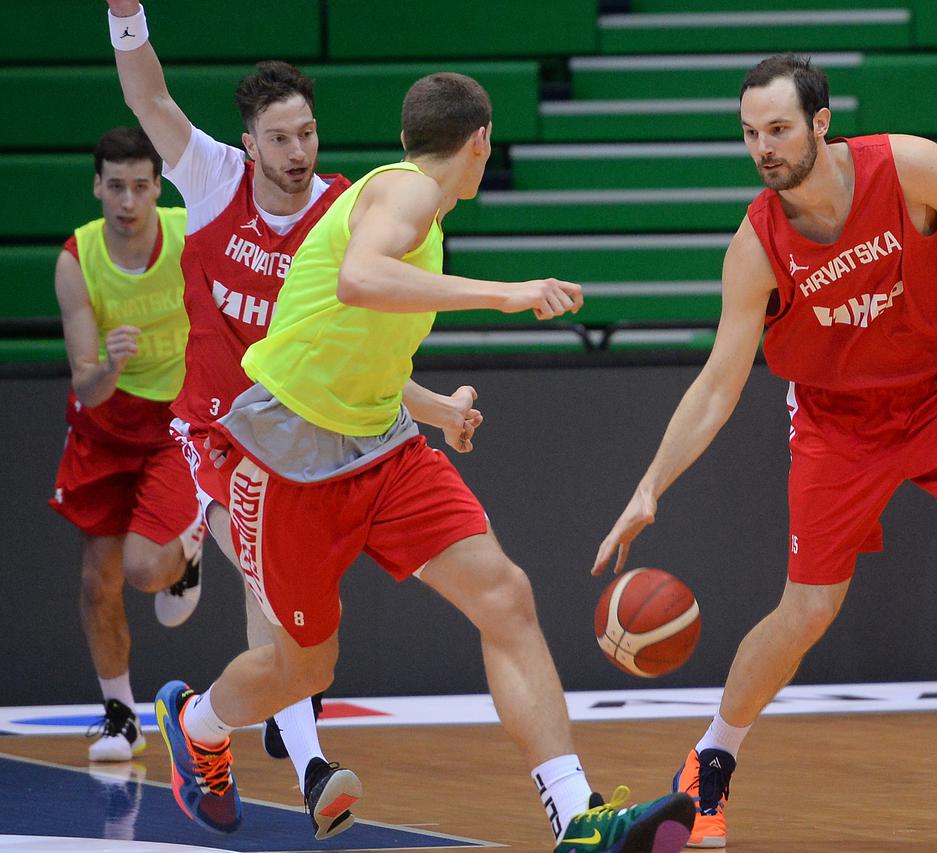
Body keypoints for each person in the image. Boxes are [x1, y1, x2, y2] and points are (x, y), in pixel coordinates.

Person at [151, 71, 697, 851]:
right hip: (288, 459)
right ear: (480, 142)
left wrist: (434, 409)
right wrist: (505, 295)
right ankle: (195, 721)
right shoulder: (403, 193)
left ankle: (575, 817)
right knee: (303, 669)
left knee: (504, 595)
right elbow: (360, 278)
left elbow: (351, 341)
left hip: (383, 446)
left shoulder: (415, 213)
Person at [593, 54, 937, 846]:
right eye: (748, 134)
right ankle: (710, 760)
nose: (763, 147)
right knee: (806, 609)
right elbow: (717, 384)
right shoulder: (756, 245)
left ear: (820, 123)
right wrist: (650, 483)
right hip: (840, 421)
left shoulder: (903, 167)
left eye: (777, 129)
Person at [106, 0, 356, 837]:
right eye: (280, 139)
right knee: (265, 576)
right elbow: (149, 103)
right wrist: (127, 16)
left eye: (308, 135)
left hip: (303, 430)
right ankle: (313, 765)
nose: (297, 153)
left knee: (300, 609)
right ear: (250, 144)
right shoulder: (213, 178)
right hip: (217, 428)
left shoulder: (342, 211)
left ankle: (261, 710)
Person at [50, 126, 204, 763]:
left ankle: (188, 552)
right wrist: (109, 366)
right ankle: (121, 716)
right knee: (97, 582)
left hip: (175, 422)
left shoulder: (189, 235)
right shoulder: (76, 259)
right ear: (97, 186)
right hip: (105, 425)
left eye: (140, 185)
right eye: (116, 186)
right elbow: (86, 387)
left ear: (157, 187)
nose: (128, 200)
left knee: (144, 570)